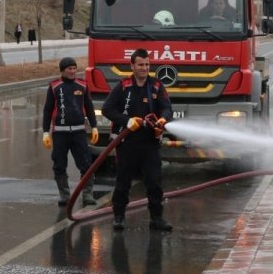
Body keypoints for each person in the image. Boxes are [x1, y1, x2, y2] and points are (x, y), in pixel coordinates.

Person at [102, 48, 174, 231]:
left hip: (150, 142)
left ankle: (156, 218)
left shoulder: (156, 86)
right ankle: (118, 217)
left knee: (154, 182)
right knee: (123, 181)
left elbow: (167, 108)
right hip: (127, 142)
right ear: (132, 66)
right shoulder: (123, 86)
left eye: (147, 64)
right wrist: (127, 121)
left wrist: (164, 119)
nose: (144, 68)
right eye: (140, 64)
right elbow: (107, 109)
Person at [42, 57, 98, 206]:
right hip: (59, 133)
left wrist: (94, 127)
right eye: (69, 69)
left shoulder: (82, 85)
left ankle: (87, 195)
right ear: (63, 70)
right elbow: (47, 110)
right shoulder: (54, 86)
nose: (72, 71)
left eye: (74, 68)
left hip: (79, 132)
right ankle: (65, 195)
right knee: (59, 164)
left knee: (86, 164)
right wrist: (45, 132)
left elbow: (89, 107)